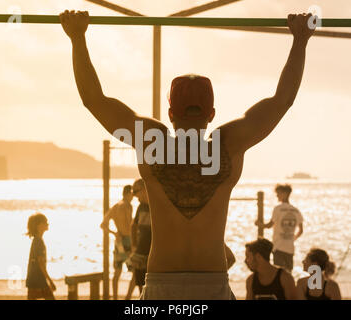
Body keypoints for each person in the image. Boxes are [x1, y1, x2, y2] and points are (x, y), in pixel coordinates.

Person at [59, 10, 316, 299]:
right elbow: (283, 100)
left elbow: (93, 100)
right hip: (212, 284)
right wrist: (301, 39)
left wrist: (78, 37)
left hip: (160, 283)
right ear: (212, 114)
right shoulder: (227, 143)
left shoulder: (151, 140)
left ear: (170, 113)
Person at [256, 184, 303, 272]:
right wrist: (293, 238)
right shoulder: (296, 210)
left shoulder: (278, 208)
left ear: (285, 193)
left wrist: (259, 224)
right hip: (290, 247)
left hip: (279, 247)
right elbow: (301, 230)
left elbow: (269, 225)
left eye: (278, 193)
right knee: (289, 273)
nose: (277, 195)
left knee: (279, 274)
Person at [100, 185, 134, 300]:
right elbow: (130, 226)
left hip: (119, 242)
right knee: (135, 271)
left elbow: (103, 225)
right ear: (127, 194)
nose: (133, 197)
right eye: (132, 194)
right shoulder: (127, 206)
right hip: (127, 241)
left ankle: (115, 298)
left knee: (117, 272)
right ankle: (127, 297)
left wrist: (114, 233)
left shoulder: (115, 207)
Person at [128, 179, 151, 297]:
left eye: (136, 192)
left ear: (144, 189)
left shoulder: (156, 206)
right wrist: (133, 246)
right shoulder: (141, 207)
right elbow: (133, 225)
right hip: (140, 251)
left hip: (152, 253)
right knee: (140, 284)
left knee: (151, 285)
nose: (135, 197)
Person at [26, 213, 56, 300]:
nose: (47, 224)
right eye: (45, 222)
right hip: (38, 279)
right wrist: (50, 280)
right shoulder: (38, 242)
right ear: (39, 225)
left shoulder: (37, 240)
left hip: (32, 278)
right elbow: (41, 263)